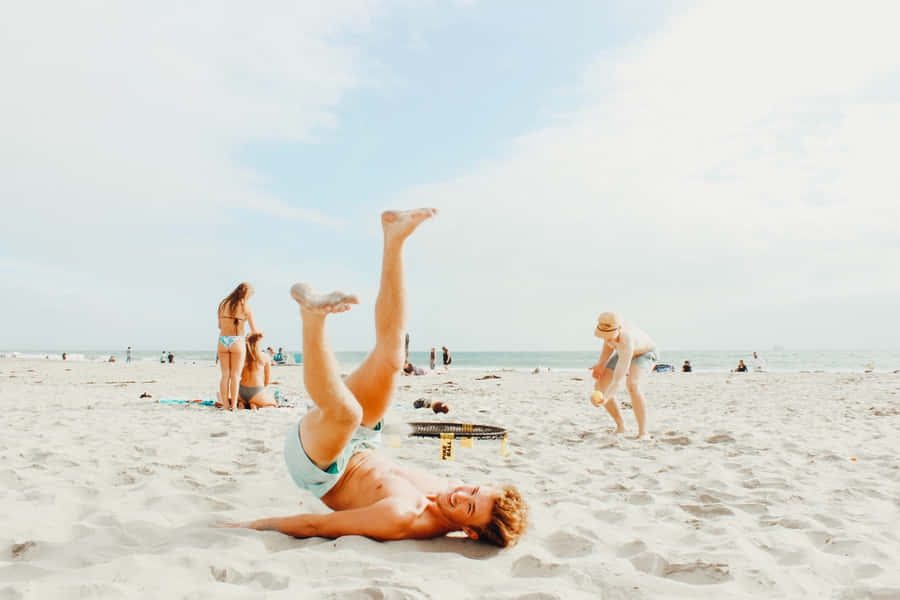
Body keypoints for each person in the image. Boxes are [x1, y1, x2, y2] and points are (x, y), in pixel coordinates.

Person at [220, 209, 527, 546]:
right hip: (363, 442)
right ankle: (394, 238)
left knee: (347, 413)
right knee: (394, 356)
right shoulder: (449, 487)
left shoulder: (401, 518)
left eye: (468, 507)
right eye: (473, 490)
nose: (461, 494)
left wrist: (248, 526)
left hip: (321, 465)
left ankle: (312, 318)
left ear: (468, 532)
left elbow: (317, 526)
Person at [589, 312, 658, 437]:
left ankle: (643, 432)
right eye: (604, 335)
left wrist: (606, 398)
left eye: (609, 335)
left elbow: (617, 380)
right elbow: (609, 344)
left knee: (632, 385)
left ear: (619, 328)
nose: (606, 338)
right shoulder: (610, 330)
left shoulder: (627, 340)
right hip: (622, 352)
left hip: (644, 353)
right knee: (600, 385)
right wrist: (600, 364)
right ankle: (621, 426)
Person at [217, 282, 260, 411]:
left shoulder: (223, 304)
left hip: (223, 340)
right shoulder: (246, 306)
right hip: (237, 340)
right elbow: (254, 329)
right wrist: (259, 334)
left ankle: (225, 405)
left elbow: (220, 325)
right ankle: (234, 406)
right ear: (247, 295)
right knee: (235, 375)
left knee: (225, 375)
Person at [237, 333, 277, 409]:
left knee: (243, 400)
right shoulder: (265, 356)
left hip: (241, 391)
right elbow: (266, 382)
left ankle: (242, 403)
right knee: (274, 403)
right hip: (256, 391)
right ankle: (254, 403)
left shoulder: (241, 356)